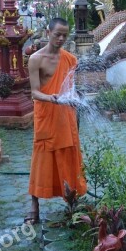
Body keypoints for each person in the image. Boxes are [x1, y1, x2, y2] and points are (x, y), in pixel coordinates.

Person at [26, 17, 87, 224]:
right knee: (42, 158)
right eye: (57, 35)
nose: (61, 38)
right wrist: (52, 98)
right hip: (46, 114)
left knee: (69, 155)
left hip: (65, 115)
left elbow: (71, 89)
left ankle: (72, 202)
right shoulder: (35, 59)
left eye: (64, 35)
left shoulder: (70, 59)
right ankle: (34, 205)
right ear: (47, 33)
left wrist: (76, 100)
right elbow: (34, 93)